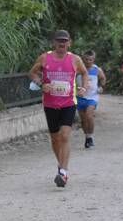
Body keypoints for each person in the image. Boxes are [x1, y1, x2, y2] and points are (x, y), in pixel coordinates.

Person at [27, 30, 89, 186]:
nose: (62, 44)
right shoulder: (44, 58)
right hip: (50, 104)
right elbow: (32, 73)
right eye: (59, 41)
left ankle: (63, 172)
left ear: (69, 42)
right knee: (55, 138)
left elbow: (85, 73)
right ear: (54, 42)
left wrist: (83, 87)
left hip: (68, 103)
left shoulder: (75, 59)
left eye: (65, 41)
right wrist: (42, 84)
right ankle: (61, 165)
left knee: (65, 136)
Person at [76, 50, 106, 148]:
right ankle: (87, 137)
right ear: (83, 59)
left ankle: (91, 136)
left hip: (92, 97)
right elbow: (70, 79)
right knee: (83, 120)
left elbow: (103, 78)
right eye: (86, 59)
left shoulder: (97, 69)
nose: (88, 61)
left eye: (90, 59)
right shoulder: (78, 69)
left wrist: (101, 87)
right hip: (80, 97)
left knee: (89, 116)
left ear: (94, 59)